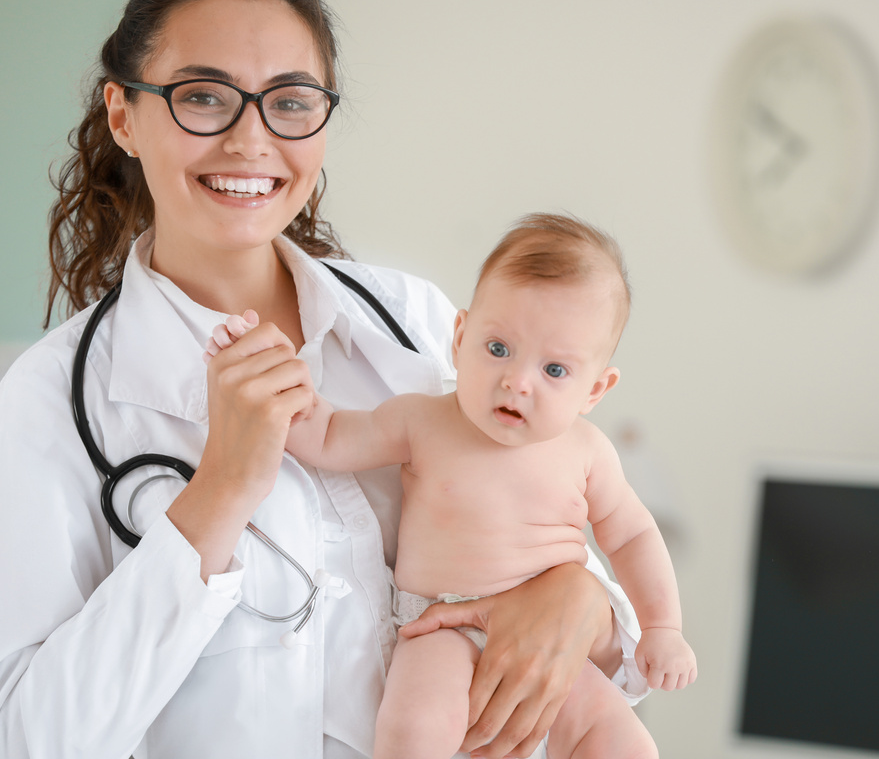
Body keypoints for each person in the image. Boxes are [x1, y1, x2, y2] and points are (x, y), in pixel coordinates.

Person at [0, 0, 648, 758]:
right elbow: (20, 742)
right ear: (124, 114)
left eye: (290, 102)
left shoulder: (424, 327)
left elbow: (567, 562)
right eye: (204, 96)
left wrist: (583, 598)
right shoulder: (51, 399)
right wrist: (219, 493)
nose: (251, 140)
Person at [207, 213, 697, 759]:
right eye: (498, 349)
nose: (518, 380)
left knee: (626, 744)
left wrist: (661, 628)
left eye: (555, 371)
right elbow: (328, 436)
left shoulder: (588, 452)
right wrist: (274, 377)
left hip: (549, 641)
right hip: (438, 626)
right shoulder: (424, 421)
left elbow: (631, 536)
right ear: (460, 337)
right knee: (415, 731)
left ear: (595, 389)